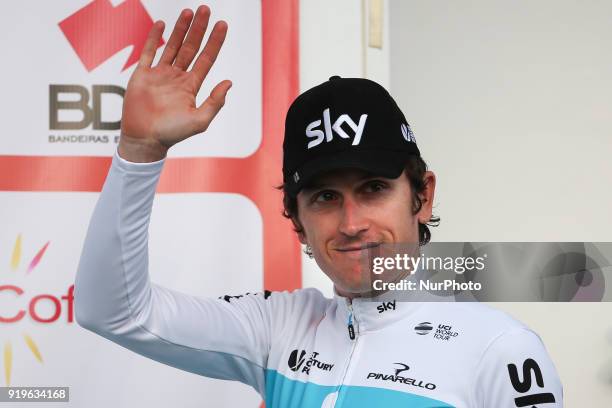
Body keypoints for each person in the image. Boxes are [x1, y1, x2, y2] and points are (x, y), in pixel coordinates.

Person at [75, 5, 563, 407]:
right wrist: (139, 153)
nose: (352, 224)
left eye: (373, 188)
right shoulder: (278, 327)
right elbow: (113, 311)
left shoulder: (501, 350)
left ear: (423, 195)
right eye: (326, 197)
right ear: (298, 222)